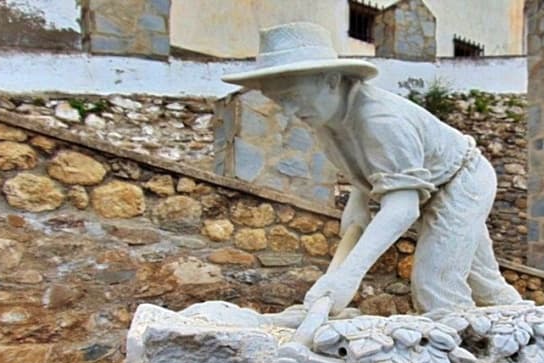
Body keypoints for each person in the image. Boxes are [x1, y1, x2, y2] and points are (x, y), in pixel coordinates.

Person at [223, 22, 521, 317]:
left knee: (437, 289)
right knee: (486, 285)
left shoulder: (382, 120)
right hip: (431, 183)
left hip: (461, 180)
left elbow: (402, 207)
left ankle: (462, 358)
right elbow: (370, 165)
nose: (288, 112)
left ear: (330, 80)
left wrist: (347, 276)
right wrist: (359, 202)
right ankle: (526, 326)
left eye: (294, 97)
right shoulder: (324, 118)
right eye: (279, 101)